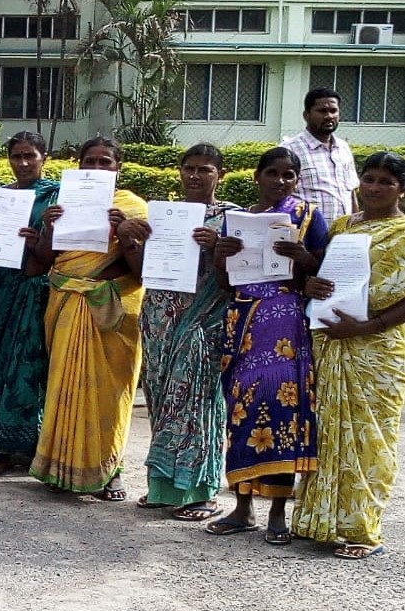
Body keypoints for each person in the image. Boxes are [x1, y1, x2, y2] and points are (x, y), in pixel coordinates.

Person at [207, 147, 327, 541]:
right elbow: (226, 284)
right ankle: (242, 508)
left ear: (297, 180)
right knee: (241, 412)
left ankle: (277, 513)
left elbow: (323, 273)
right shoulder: (237, 220)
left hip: (286, 326)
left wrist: (303, 257)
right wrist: (219, 256)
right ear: (257, 177)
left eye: (288, 175)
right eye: (272, 173)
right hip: (242, 323)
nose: (280, 180)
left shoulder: (308, 216)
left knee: (282, 411)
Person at [294, 151, 405, 560]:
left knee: (371, 436)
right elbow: (326, 276)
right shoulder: (343, 225)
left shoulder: (403, 232)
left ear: (401, 189)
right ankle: (319, 521)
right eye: (369, 179)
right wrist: (311, 286)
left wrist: (367, 327)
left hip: (376, 348)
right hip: (330, 341)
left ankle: (362, 530)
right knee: (326, 431)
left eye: (385, 182)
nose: (374, 188)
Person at [116, 144, 234, 521]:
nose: (195, 176)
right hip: (159, 321)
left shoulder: (231, 218)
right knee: (163, 401)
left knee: (198, 405)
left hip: (203, 322)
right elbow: (142, 271)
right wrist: (129, 239)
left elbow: (238, 278)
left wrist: (216, 249)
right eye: (189, 168)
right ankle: (163, 488)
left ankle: (201, 492)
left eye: (205, 169)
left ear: (220, 175)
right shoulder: (163, 216)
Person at [27, 137, 147, 500]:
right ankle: (60, 468)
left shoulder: (132, 207)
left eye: (104, 162)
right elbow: (41, 262)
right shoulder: (66, 202)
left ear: (118, 168)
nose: (95, 168)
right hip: (65, 303)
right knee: (64, 388)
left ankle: (110, 470)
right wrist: (50, 227)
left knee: (110, 393)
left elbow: (144, 272)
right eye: (89, 161)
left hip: (110, 310)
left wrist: (125, 234)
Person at [0, 132, 56, 477]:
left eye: (30, 156)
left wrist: (40, 239)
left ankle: (33, 449)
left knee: (30, 369)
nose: (23, 163)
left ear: (44, 158)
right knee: (0, 366)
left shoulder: (55, 196)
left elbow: (59, 247)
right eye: (16, 156)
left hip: (34, 288)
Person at [280, 87, 358, 222]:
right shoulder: (289, 150)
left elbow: (351, 193)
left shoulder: (343, 148)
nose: (329, 116)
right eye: (322, 111)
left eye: (333, 111)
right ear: (306, 115)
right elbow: (278, 194)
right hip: (307, 232)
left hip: (343, 232)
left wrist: (357, 227)